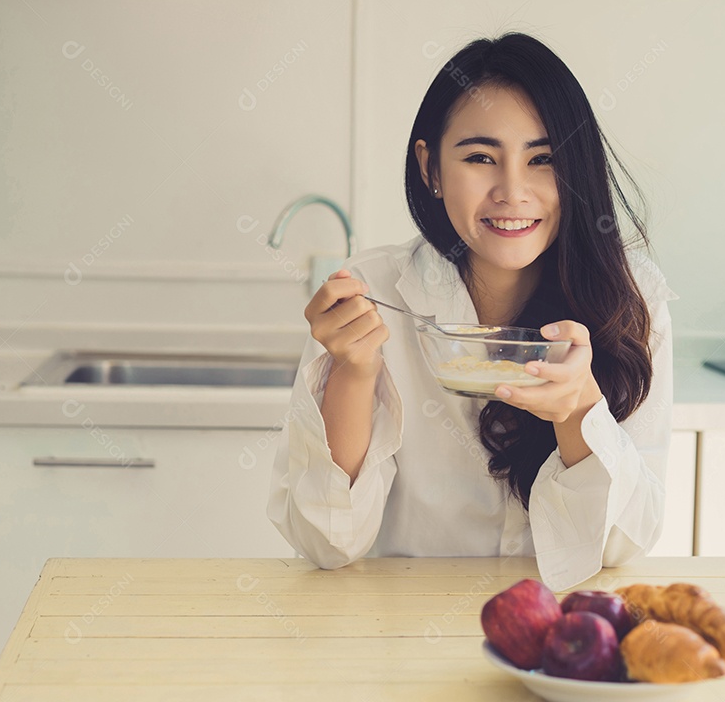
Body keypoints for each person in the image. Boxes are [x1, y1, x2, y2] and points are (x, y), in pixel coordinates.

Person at [267, 32, 679, 590]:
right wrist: (355, 373)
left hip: (556, 640)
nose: (512, 191)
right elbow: (327, 543)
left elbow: (621, 548)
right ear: (431, 167)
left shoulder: (632, 299)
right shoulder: (369, 294)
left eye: (544, 159)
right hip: (398, 638)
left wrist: (578, 409)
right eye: (481, 157)